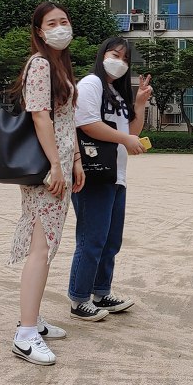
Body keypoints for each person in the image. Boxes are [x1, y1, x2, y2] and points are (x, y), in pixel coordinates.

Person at [7, 2, 84, 366]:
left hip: (60, 167)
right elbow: (40, 115)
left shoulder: (59, 66)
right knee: (41, 247)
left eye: (63, 21)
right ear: (39, 31)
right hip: (47, 170)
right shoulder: (40, 64)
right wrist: (55, 165)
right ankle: (25, 335)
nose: (59, 27)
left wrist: (75, 161)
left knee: (48, 245)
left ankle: (32, 319)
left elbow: (66, 120)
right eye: (51, 23)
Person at [67, 37, 151, 321]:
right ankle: (79, 299)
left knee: (111, 240)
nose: (120, 62)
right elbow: (86, 123)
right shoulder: (91, 83)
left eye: (125, 59)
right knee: (92, 238)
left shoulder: (116, 92)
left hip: (115, 174)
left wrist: (140, 103)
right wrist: (125, 139)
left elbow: (132, 132)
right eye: (115, 55)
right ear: (102, 55)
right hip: (93, 172)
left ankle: (101, 292)